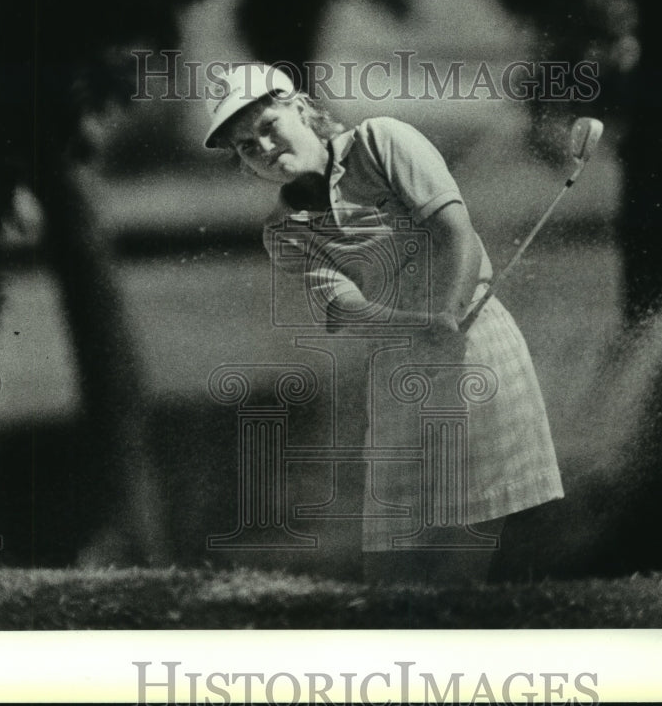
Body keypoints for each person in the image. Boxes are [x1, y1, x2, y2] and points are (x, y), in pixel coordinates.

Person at [204, 63, 563, 584]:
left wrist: (448, 316)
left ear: (300, 109)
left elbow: (452, 231)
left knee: (466, 545)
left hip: (476, 345)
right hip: (399, 366)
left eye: (267, 126)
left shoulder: (382, 141)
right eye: (244, 146)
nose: (261, 148)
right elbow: (346, 307)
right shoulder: (284, 230)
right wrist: (421, 329)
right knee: (390, 558)